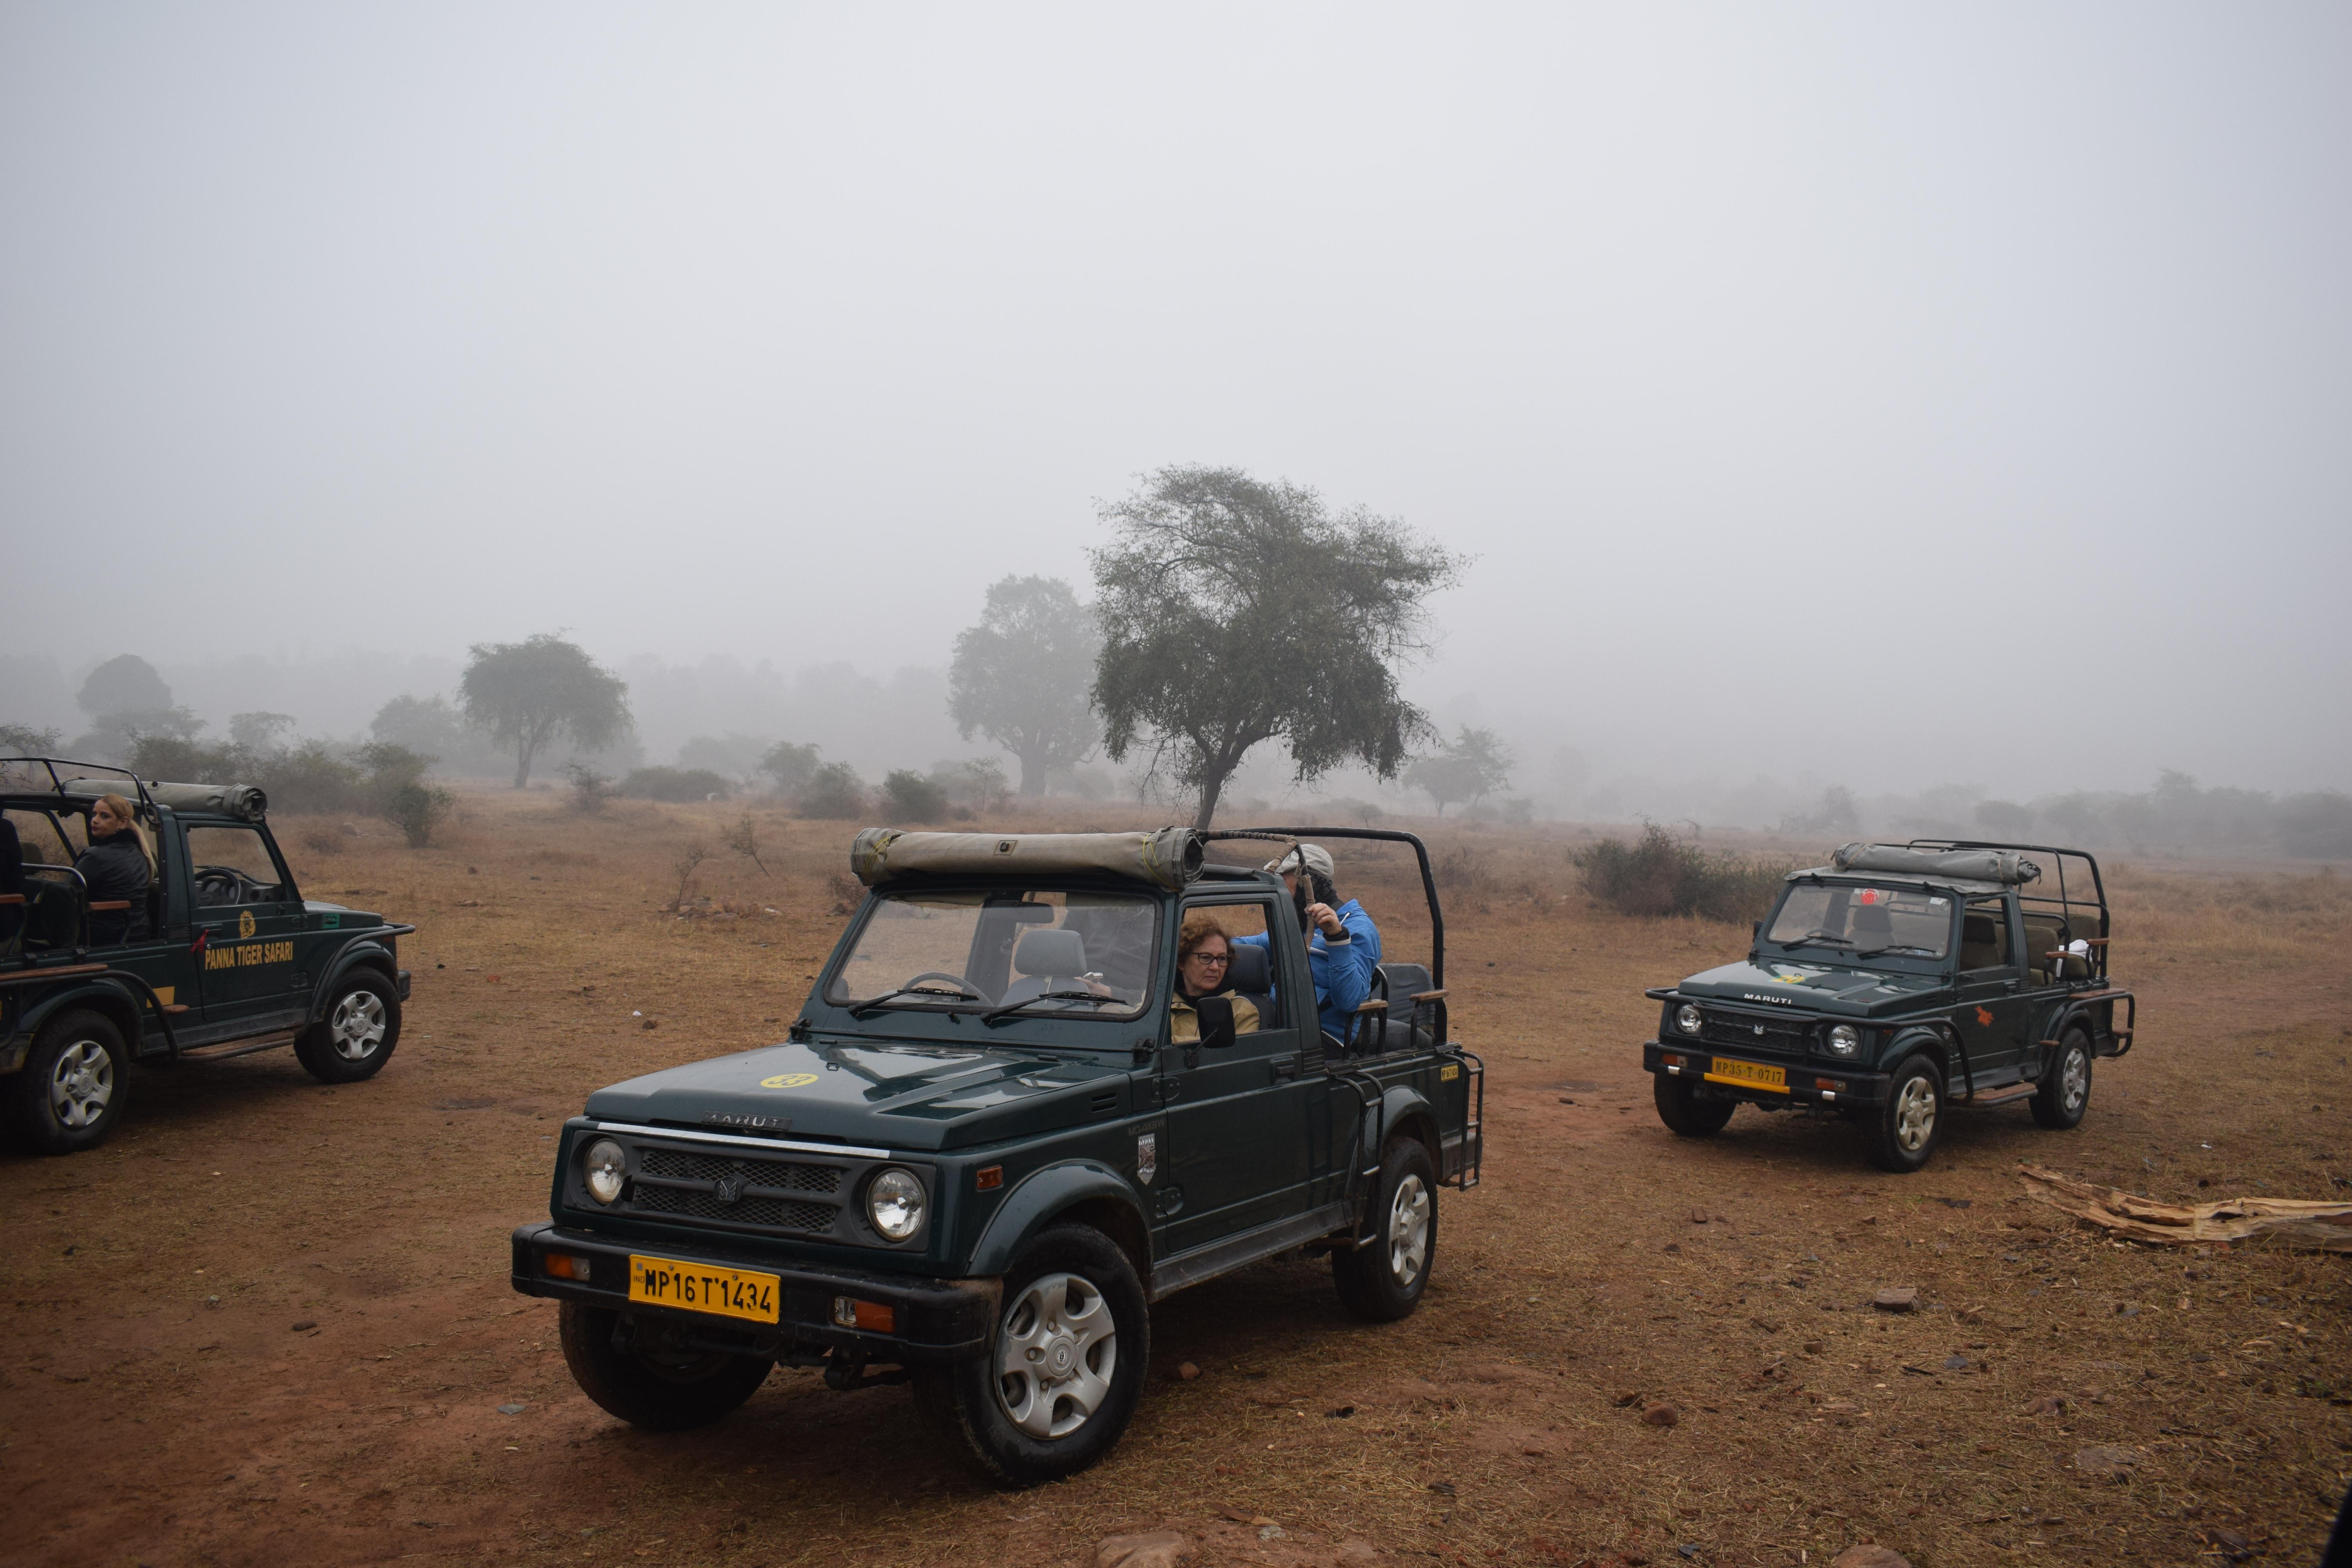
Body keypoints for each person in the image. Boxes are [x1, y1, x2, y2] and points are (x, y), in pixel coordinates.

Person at [1238, 843, 1381, 1043]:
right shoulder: (1302, 922)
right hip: (1283, 1023)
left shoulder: (1359, 928)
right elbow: (1248, 944)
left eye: (1285, 887)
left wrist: (1336, 938)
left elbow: (1349, 1001)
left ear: (1310, 885)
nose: (1281, 895)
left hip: (1326, 1036)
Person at [1168, 911, 1261, 1044]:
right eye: (1206, 958)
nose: (1216, 967)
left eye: (1222, 959)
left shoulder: (1241, 1011)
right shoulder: (1160, 1005)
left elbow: (1229, 1056)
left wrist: (1170, 1042)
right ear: (1182, 962)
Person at [74, 793, 154, 945]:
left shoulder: (96, 856)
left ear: (122, 823)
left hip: (103, 937)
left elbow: (68, 895)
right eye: (94, 814)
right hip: (138, 933)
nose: (95, 820)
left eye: (105, 816)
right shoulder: (144, 855)